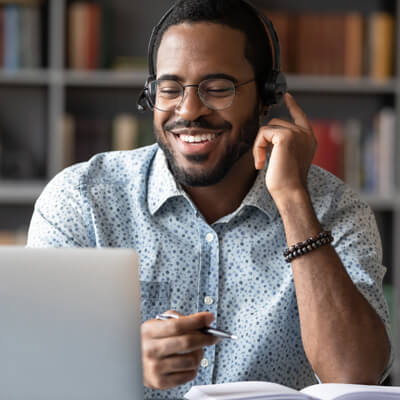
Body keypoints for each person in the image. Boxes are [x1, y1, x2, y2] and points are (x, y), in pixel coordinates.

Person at [27, 0, 392, 399]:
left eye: (218, 89)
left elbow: (355, 377)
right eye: (169, 89)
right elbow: (31, 364)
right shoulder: (82, 199)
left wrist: (293, 200)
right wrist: (119, 360)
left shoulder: (335, 208)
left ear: (267, 96)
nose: (189, 110)